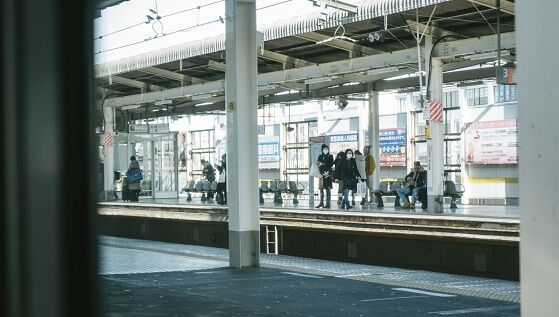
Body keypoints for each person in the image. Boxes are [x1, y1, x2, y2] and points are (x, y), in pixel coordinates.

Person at [315, 144, 334, 209]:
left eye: (327, 149)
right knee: (321, 188)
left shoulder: (330, 156)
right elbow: (318, 163)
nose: (326, 150)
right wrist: (319, 164)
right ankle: (321, 202)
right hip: (321, 174)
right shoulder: (320, 156)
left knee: (328, 189)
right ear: (322, 150)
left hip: (328, 174)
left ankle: (328, 203)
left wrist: (323, 163)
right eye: (324, 149)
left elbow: (330, 164)